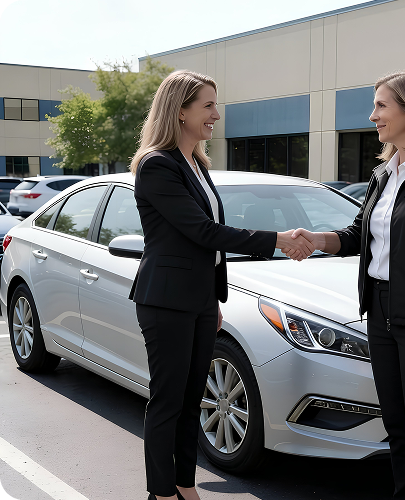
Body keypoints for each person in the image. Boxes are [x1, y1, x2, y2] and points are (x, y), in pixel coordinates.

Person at [287, 70, 405, 500]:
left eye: (381, 106)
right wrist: (317, 241)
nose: (372, 115)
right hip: (380, 311)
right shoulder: (383, 174)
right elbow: (360, 234)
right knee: (396, 427)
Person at [128, 70, 314, 500]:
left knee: (192, 400)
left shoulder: (197, 163)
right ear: (180, 111)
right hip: (165, 302)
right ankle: (161, 492)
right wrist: (277, 240)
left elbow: (206, 247)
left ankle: (183, 484)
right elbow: (203, 233)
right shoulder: (158, 165)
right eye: (208, 105)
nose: (217, 113)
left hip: (195, 301)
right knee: (168, 400)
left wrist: (212, 300)